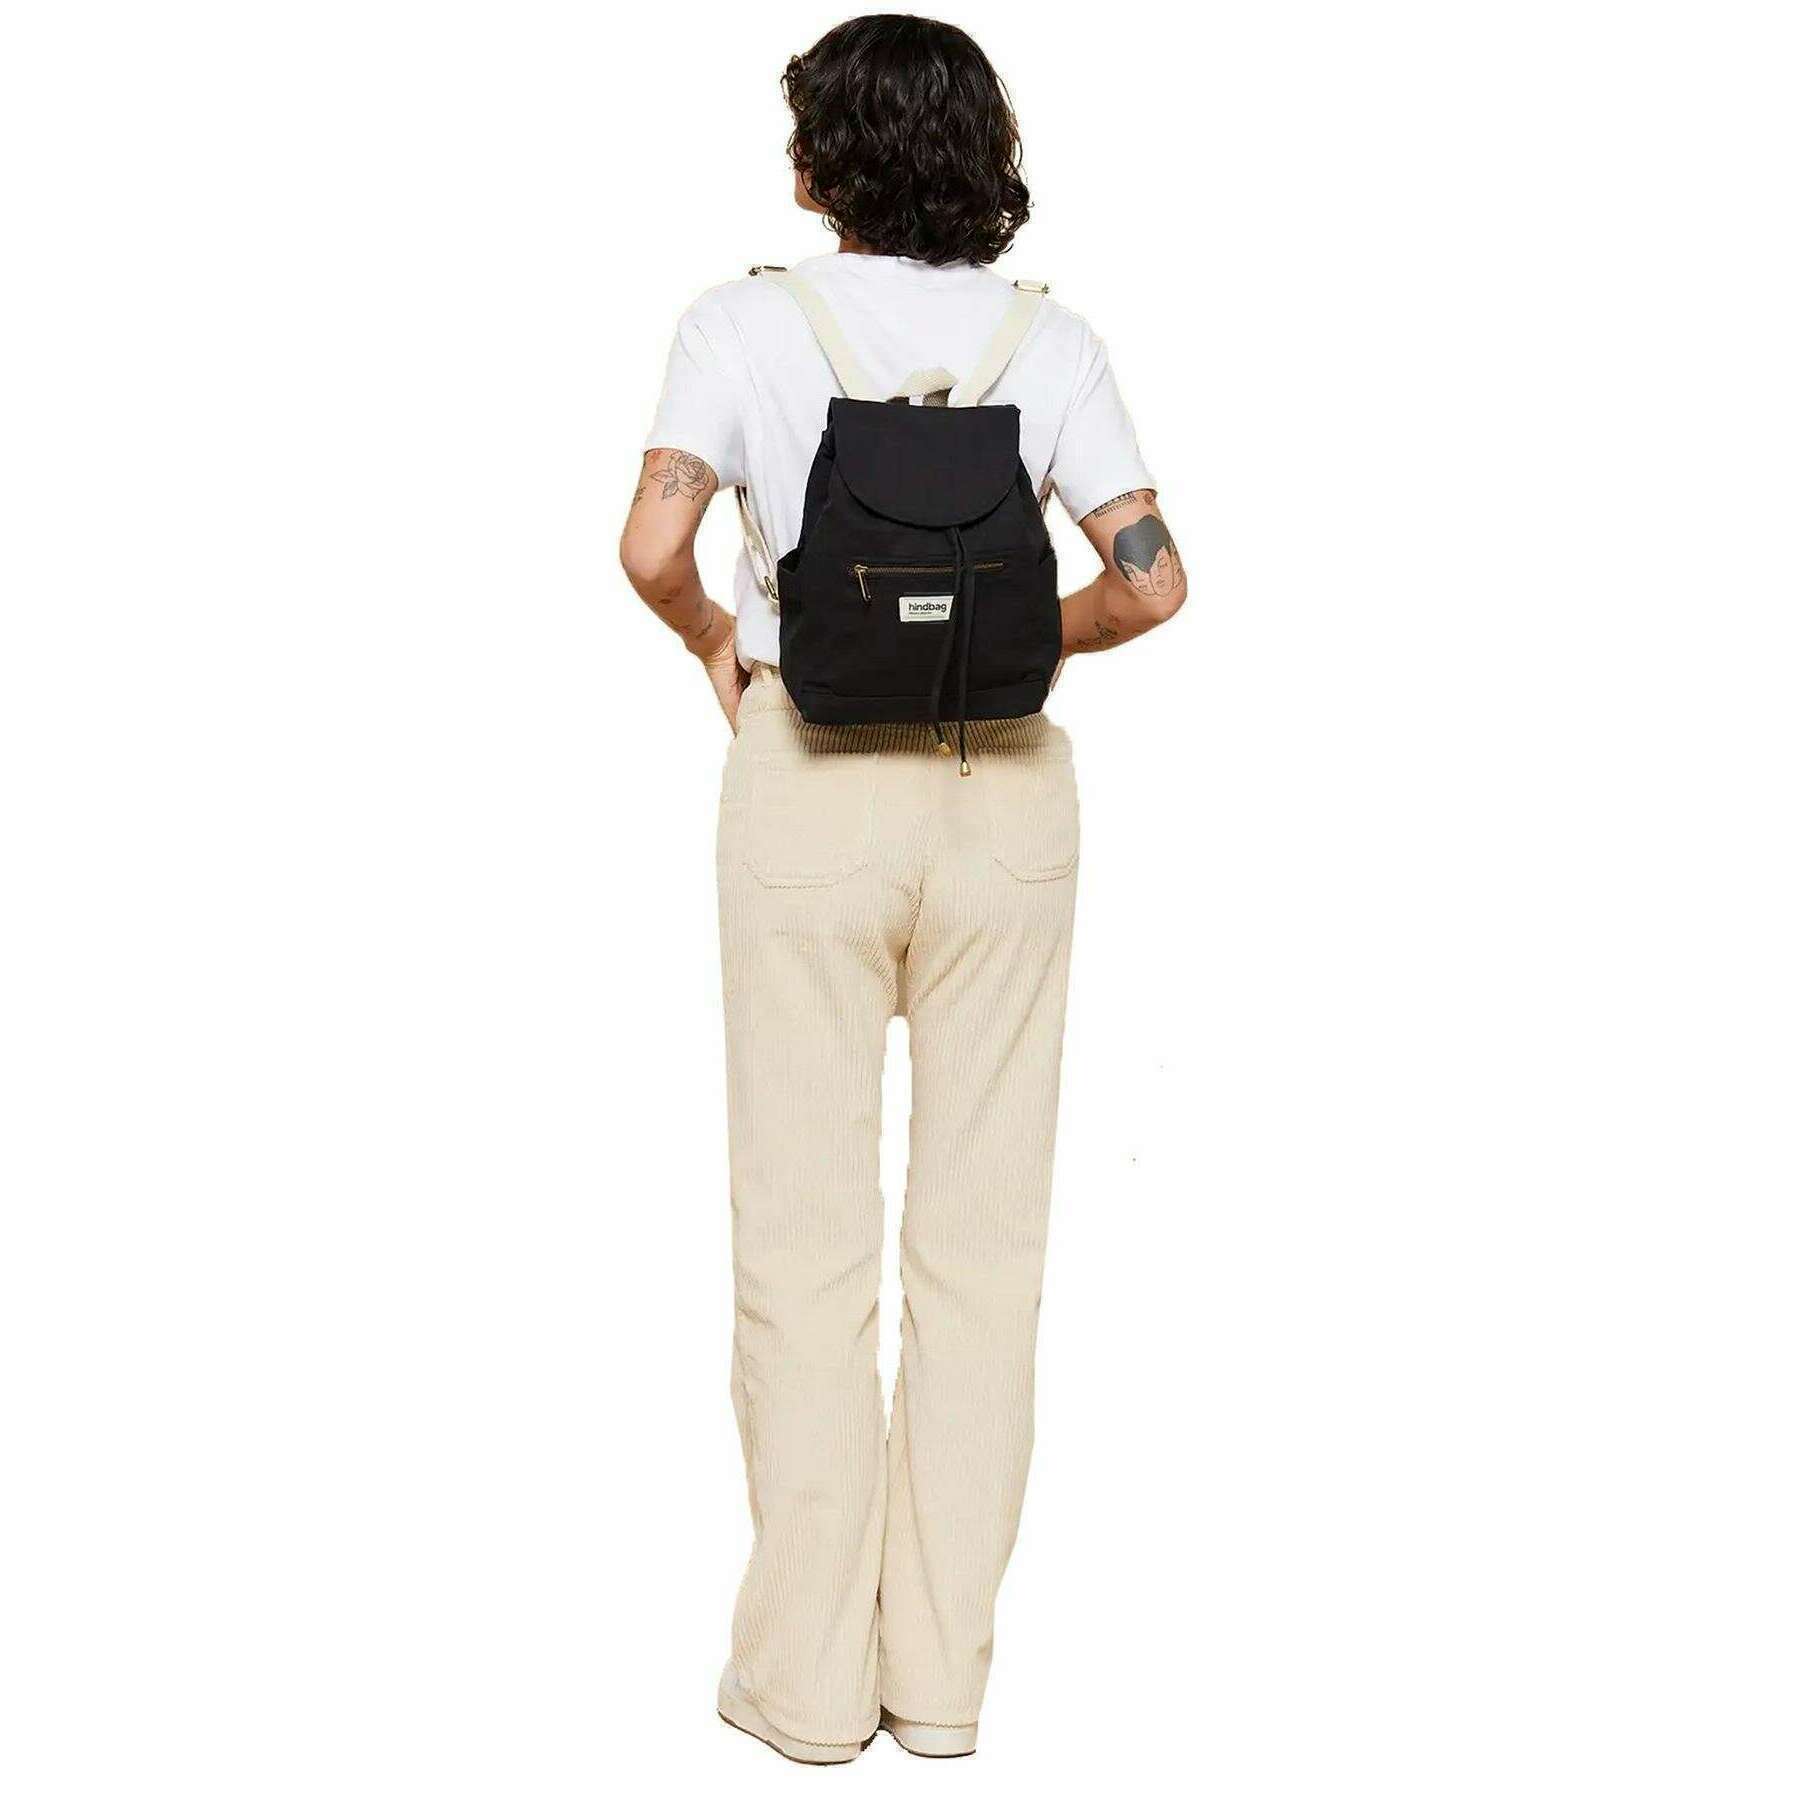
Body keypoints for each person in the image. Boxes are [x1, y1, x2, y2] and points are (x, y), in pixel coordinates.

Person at [619, 14, 1186, 1764]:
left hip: (807, 787)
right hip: (1005, 804)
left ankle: (803, 1689)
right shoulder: (1051, 342)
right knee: (983, 1258)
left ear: (819, 169)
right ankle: (939, 1689)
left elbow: (651, 544)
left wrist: (723, 643)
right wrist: (1011, 646)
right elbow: (1153, 582)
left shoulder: (740, 327)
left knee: (806, 1257)